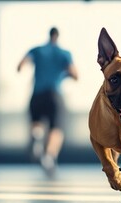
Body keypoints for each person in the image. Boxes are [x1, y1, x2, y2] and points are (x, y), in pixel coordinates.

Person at [17, 27, 78, 177]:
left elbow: (20, 66)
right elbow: (75, 75)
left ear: (48, 35)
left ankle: (37, 135)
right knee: (56, 128)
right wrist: (63, 75)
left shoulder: (37, 50)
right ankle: (49, 156)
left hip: (37, 94)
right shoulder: (64, 53)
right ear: (57, 36)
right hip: (54, 94)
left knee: (36, 121)